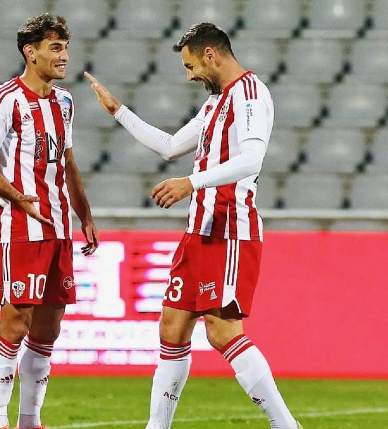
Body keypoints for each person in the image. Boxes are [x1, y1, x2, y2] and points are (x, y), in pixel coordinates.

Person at [84, 23, 302, 429]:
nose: (189, 76)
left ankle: (285, 425)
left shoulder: (251, 95)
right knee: (172, 325)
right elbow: (170, 147)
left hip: (230, 229)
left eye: (190, 66)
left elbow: (252, 159)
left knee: (221, 331)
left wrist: (192, 182)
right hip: (199, 230)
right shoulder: (214, 104)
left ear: (210, 54)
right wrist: (119, 111)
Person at [0, 14, 98, 429]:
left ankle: (30, 419)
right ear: (31, 52)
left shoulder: (64, 102)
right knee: (16, 321)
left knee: (48, 330)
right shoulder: (5, 99)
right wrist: (17, 198)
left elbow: (69, 162)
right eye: (55, 47)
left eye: (66, 46)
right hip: (22, 229)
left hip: (60, 228)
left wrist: (85, 215)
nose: (64, 55)